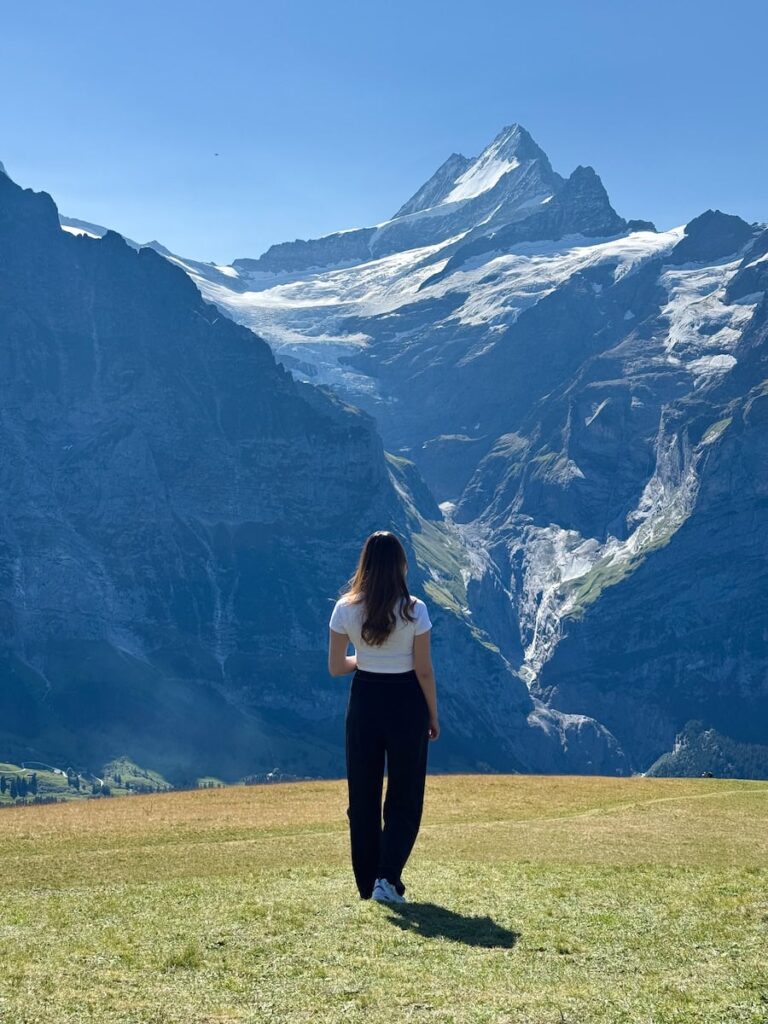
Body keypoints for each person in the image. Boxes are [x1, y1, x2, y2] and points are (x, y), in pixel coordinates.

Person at [328, 530, 440, 904]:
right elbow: (423, 669)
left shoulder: (345, 608)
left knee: (363, 796)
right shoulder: (414, 609)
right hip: (407, 700)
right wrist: (433, 714)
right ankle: (387, 879)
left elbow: (335, 667)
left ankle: (366, 886)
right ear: (400, 566)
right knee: (405, 794)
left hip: (365, 700)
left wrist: (367, 658)